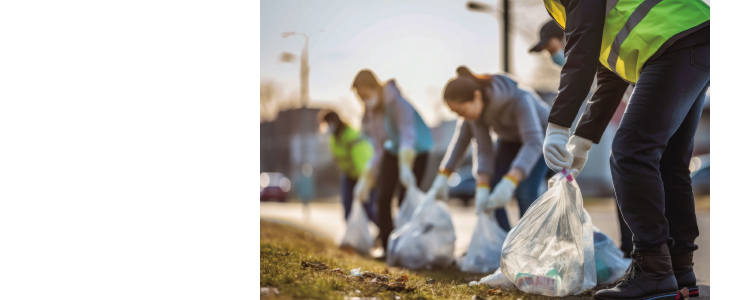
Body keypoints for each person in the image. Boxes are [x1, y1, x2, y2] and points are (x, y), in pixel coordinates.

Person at [540, 0, 709, 299]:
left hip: (674, 41)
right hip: (691, 37)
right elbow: (610, 73)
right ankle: (679, 270)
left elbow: (582, 54)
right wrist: (582, 139)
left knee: (631, 152)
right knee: (669, 163)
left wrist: (557, 125)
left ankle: (653, 271)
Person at [531, 19, 635, 258]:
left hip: (660, 93)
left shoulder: (598, 50)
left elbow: (600, 86)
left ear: (568, 36)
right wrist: (581, 141)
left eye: (552, 48)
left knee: (628, 165)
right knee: (626, 171)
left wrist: (563, 130)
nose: (551, 55)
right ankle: (635, 252)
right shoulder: (596, 61)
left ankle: (648, 256)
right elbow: (603, 94)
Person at [428, 66, 550, 232]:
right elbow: (483, 149)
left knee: (525, 191)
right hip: (510, 140)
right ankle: (505, 242)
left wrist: (511, 180)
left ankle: (531, 245)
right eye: (456, 113)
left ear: (477, 96)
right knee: (493, 187)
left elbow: (533, 142)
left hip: (542, 139)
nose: (461, 118)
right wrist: (483, 186)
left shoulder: (520, 99)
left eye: (461, 111)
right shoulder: (477, 114)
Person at [350, 69, 434, 259]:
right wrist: (368, 173)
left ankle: (407, 246)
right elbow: (380, 145)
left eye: (366, 94)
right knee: (383, 197)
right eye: (360, 97)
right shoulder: (372, 110)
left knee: (405, 198)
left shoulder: (398, 103)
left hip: (416, 151)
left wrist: (405, 165)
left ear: (375, 87)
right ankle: (388, 247)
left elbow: (407, 135)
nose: (364, 99)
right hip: (392, 150)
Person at [317, 109, 377, 224]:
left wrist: (365, 182)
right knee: (348, 208)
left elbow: (362, 160)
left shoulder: (351, 135)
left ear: (334, 122)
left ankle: (384, 233)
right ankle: (352, 237)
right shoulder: (334, 139)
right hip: (349, 175)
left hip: (365, 175)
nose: (327, 128)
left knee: (369, 209)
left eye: (328, 124)